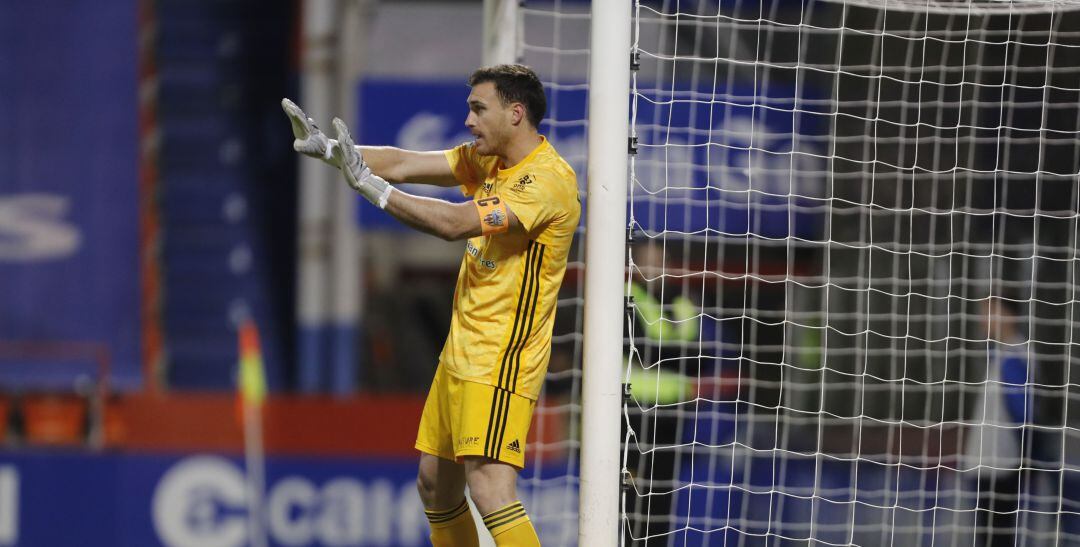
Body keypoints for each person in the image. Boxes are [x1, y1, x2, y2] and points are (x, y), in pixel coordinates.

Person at [283, 64, 579, 547]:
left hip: (501, 359)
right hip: (460, 354)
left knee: (491, 489)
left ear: (516, 113)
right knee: (435, 487)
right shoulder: (491, 161)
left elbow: (455, 223)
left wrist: (372, 190)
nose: (468, 120)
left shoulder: (546, 183)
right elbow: (402, 163)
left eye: (478, 109)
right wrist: (336, 153)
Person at [963, 291, 1034, 547]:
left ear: (1008, 315)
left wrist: (1028, 456)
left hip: (1001, 463)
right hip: (990, 462)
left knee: (996, 535)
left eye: (989, 312)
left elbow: (1023, 412)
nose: (984, 319)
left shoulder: (1013, 357)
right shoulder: (1001, 354)